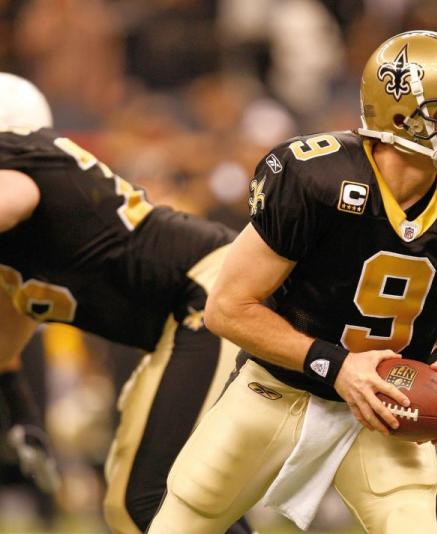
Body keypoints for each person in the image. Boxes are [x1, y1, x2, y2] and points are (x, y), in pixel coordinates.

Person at [148, 30, 437, 534]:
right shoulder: (314, 178)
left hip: (387, 409)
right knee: (184, 519)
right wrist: (339, 366)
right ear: (400, 116)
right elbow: (227, 307)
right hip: (278, 390)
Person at [0, 72, 253, 534]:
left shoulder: (23, 169)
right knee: (131, 504)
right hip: (183, 316)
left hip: (213, 294)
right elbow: (5, 344)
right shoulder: (25, 239)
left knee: (149, 499)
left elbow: (11, 199)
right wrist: (24, 416)